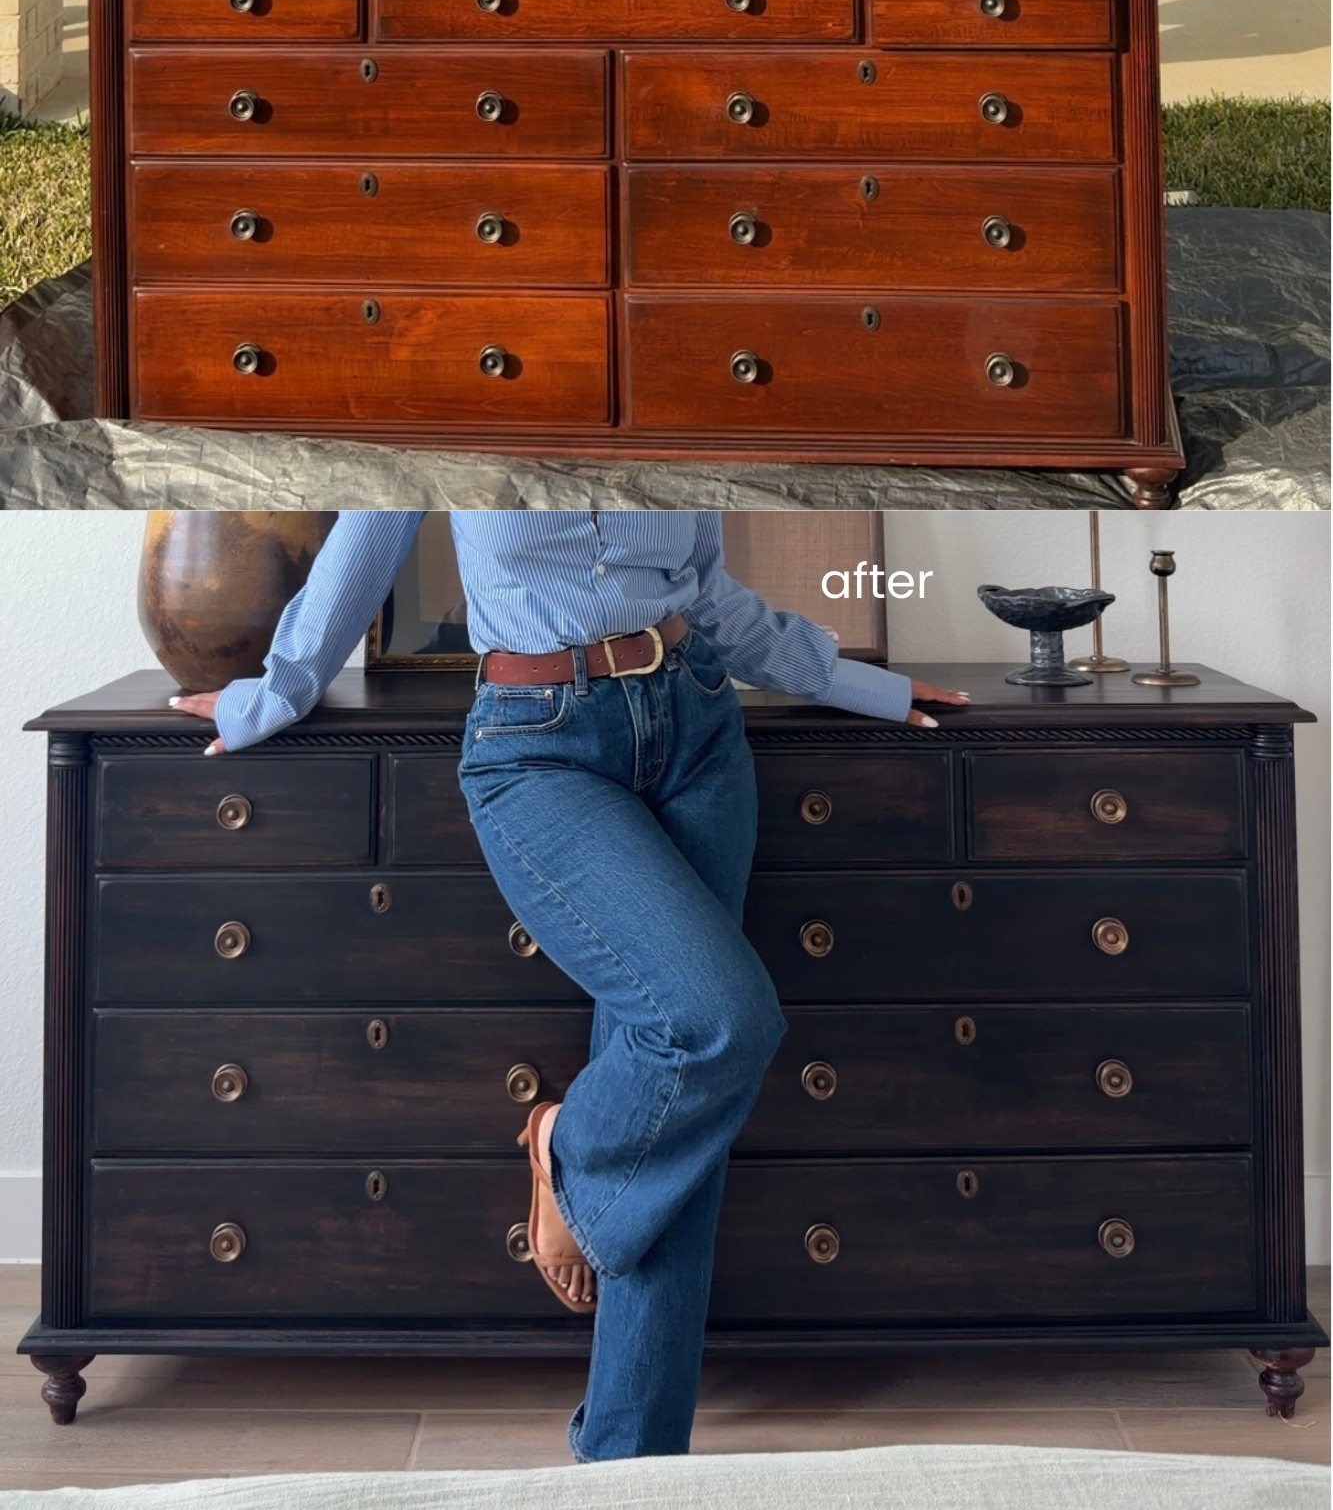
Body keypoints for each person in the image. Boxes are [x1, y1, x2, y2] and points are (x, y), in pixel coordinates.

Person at [169, 511, 966, 1463]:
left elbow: (705, 585)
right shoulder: (457, 399)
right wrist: (269, 697)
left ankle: (631, 1464)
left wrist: (850, 680)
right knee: (719, 1022)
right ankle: (570, 1145)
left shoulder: (666, 399)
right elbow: (362, 550)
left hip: (699, 728)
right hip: (537, 743)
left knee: (682, 1118)